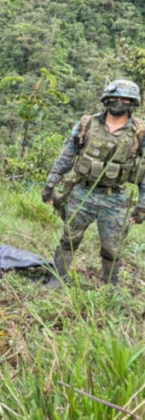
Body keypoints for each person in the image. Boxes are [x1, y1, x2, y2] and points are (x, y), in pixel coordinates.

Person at [42, 79, 145, 288]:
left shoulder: (140, 133)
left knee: (112, 248)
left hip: (115, 198)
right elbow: (66, 156)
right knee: (69, 239)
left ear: (133, 103)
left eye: (125, 99)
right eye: (114, 98)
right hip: (82, 191)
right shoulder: (86, 124)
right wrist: (50, 184)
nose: (119, 103)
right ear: (106, 99)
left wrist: (143, 205)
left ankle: (110, 286)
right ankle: (58, 279)